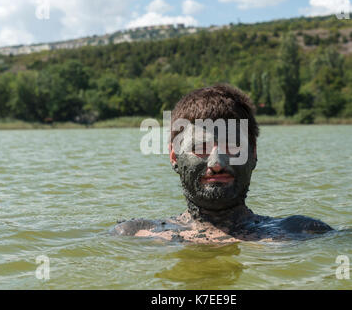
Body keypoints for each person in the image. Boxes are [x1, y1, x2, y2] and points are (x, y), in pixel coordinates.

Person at [114, 84, 333, 243]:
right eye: (200, 148)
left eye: (232, 148)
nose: (216, 163)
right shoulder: (135, 234)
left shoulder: (304, 232)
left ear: (253, 153)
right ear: (174, 157)